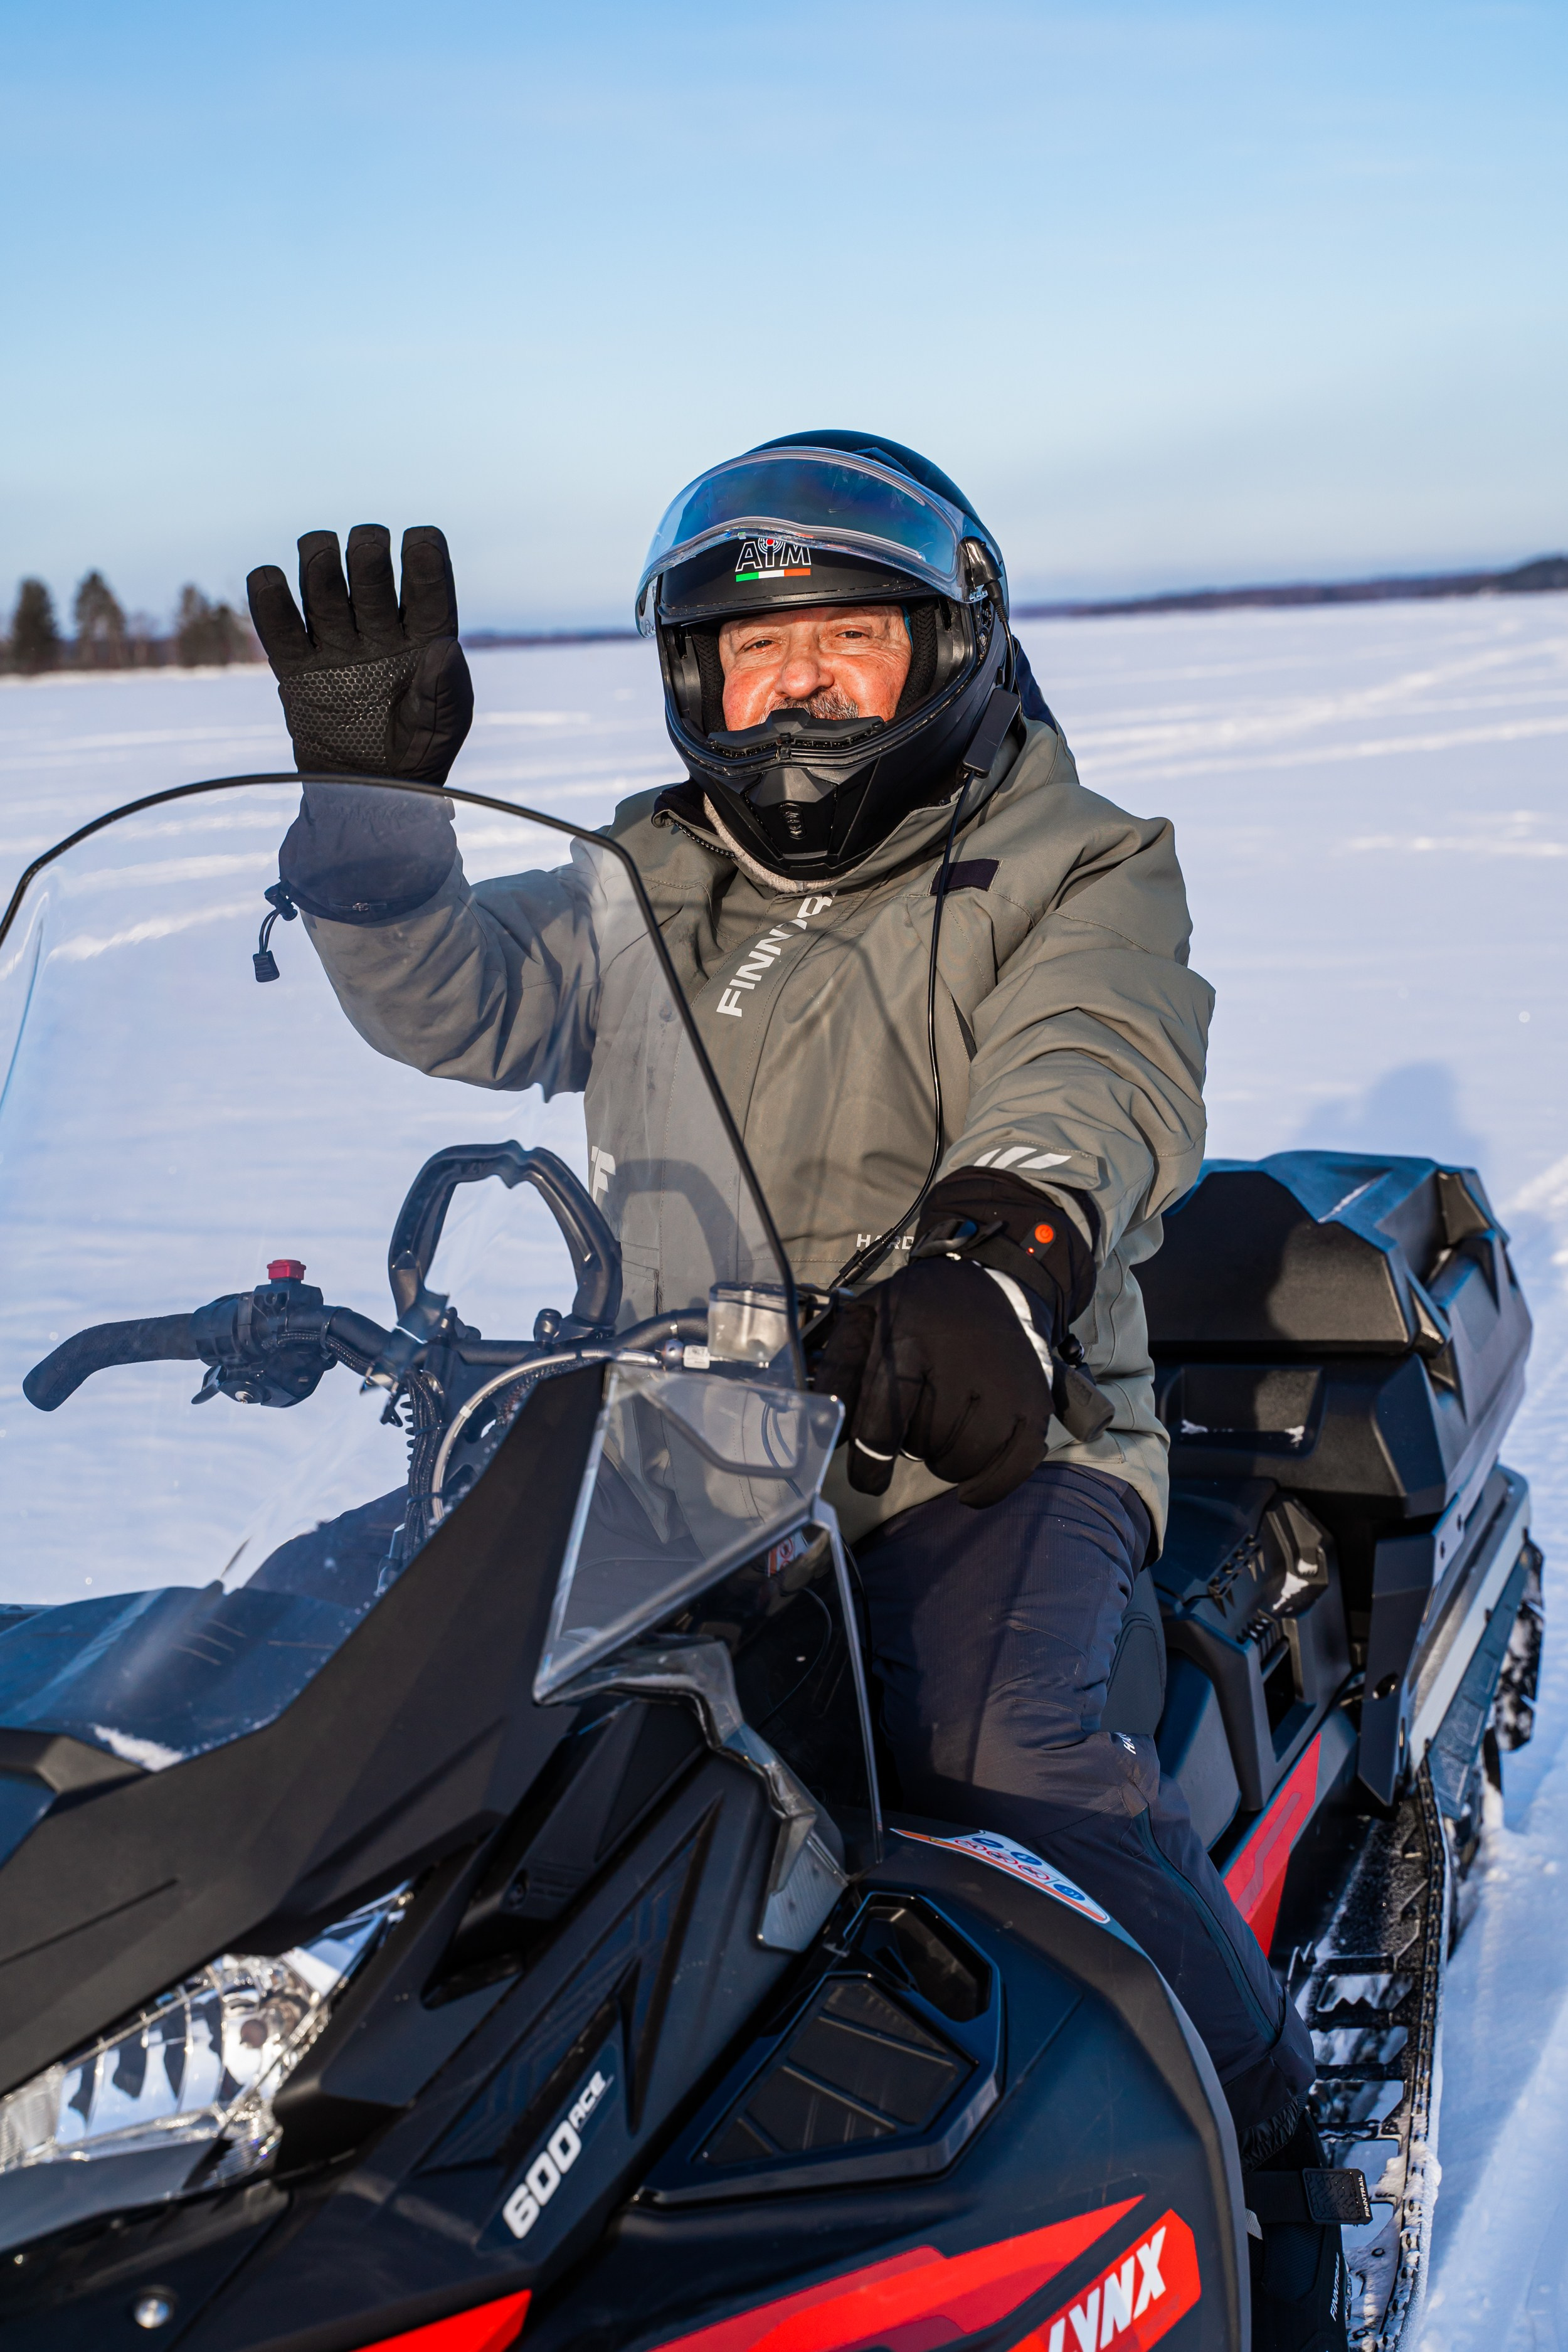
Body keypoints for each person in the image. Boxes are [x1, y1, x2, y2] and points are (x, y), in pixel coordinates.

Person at [247, 434, 1333, 2352]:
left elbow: (1095, 1066)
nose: (802, 684)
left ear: (950, 649)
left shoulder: (1076, 859)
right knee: (327, 1682)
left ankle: (1264, 2160)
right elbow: (467, 1004)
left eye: (849, 636)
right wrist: (369, 831)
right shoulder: (648, 871)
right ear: (698, 678)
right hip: (681, 1436)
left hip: (987, 1430)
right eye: (758, 653)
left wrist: (998, 1260)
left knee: (1004, 1774)